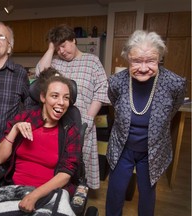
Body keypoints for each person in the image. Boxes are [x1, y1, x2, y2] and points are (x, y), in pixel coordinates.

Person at [0, 68, 81, 215]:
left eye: (66, 98)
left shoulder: (70, 130)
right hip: (15, 189)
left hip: (49, 192)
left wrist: (34, 195)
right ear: (43, 97)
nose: (61, 102)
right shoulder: (24, 118)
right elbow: (0, 158)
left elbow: (66, 173)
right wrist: (14, 130)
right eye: (55, 96)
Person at [105, 30, 186, 216]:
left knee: (147, 194)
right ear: (127, 59)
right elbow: (114, 102)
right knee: (115, 193)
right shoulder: (116, 81)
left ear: (160, 58)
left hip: (153, 150)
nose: (143, 68)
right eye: (136, 61)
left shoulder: (174, 83)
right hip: (122, 148)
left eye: (150, 60)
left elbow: (172, 109)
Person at [35, 24, 109, 190]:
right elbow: (40, 74)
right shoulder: (55, 63)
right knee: (59, 162)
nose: (61, 51)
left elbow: (101, 91)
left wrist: (89, 118)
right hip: (58, 123)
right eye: (57, 47)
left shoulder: (92, 61)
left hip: (83, 122)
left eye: (64, 45)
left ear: (74, 40)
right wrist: (50, 48)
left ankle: (78, 196)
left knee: (80, 166)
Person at [0, 21, 30, 171]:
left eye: (1, 37)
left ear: (9, 47)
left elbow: (29, 106)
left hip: (9, 148)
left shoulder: (20, 73)